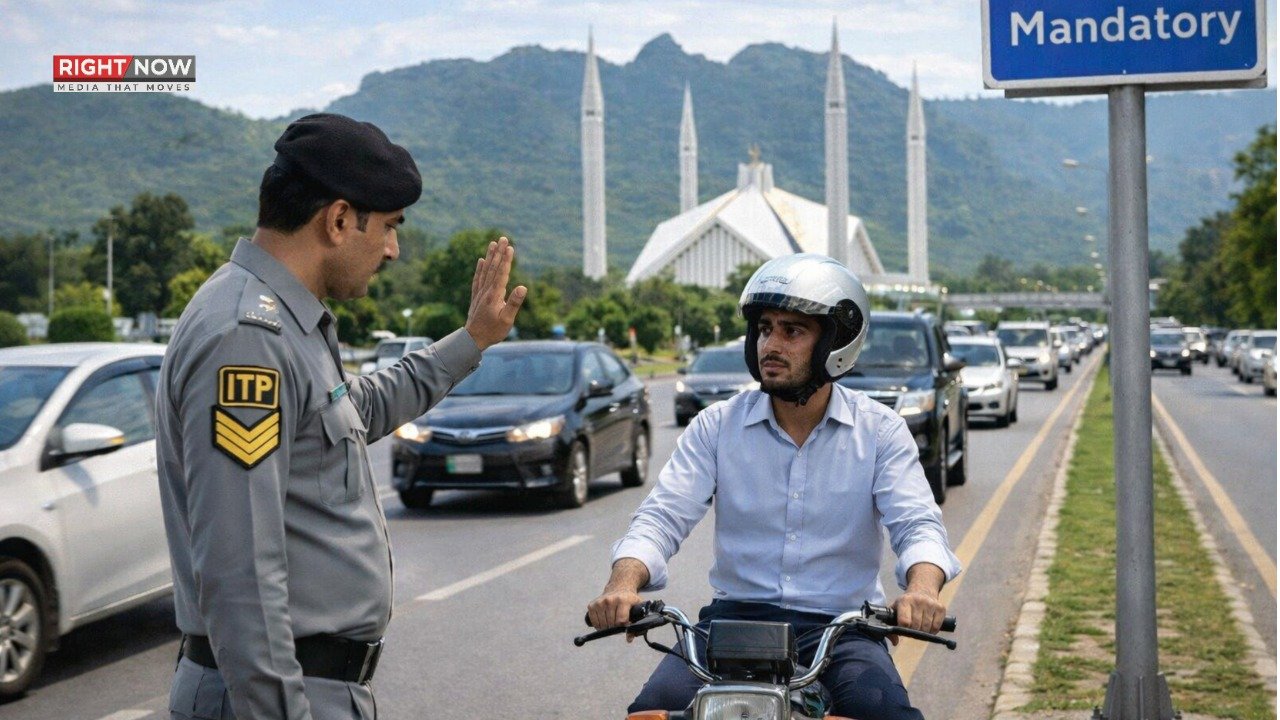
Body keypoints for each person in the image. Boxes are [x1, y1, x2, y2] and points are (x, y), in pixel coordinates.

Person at [156, 112, 526, 720]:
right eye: (388, 227)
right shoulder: (248, 336)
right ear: (337, 219)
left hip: (313, 686)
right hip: (280, 694)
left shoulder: (286, 321)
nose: (392, 249)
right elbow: (241, 572)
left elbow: (359, 410)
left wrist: (473, 339)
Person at [586, 253, 961, 719]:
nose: (771, 344)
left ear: (835, 341)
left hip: (844, 631)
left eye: (793, 331)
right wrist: (623, 585)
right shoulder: (716, 426)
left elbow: (917, 524)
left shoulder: (880, 431)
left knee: (888, 715)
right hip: (730, 625)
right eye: (765, 328)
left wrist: (922, 591)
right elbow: (662, 516)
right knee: (649, 713)